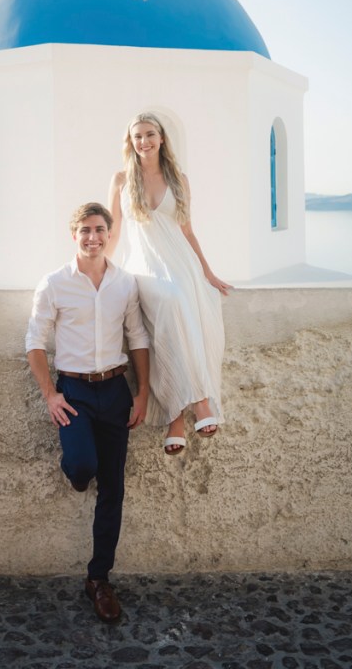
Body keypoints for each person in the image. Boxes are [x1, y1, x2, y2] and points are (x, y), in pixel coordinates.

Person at [26, 201, 150, 624]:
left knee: (113, 487)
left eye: (100, 229)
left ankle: (99, 580)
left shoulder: (125, 283)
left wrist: (143, 392)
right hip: (74, 391)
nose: (93, 237)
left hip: (115, 390)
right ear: (73, 235)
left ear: (109, 234)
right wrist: (50, 394)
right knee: (82, 464)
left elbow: (137, 338)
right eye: (85, 230)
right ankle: (80, 476)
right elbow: (34, 341)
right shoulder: (55, 283)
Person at [107, 113, 229, 456]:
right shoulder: (120, 180)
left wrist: (207, 272)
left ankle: (176, 417)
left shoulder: (179, 180)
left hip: (181, 264)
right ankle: (200, 401)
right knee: (172, 301)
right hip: (145, 267)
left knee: (187, 302)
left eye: (149, 134)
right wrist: (100, 271)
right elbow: (114, 231)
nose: (143, 141)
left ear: (161, 139)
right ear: (130, 143)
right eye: (136, 137)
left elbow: (187, 230)